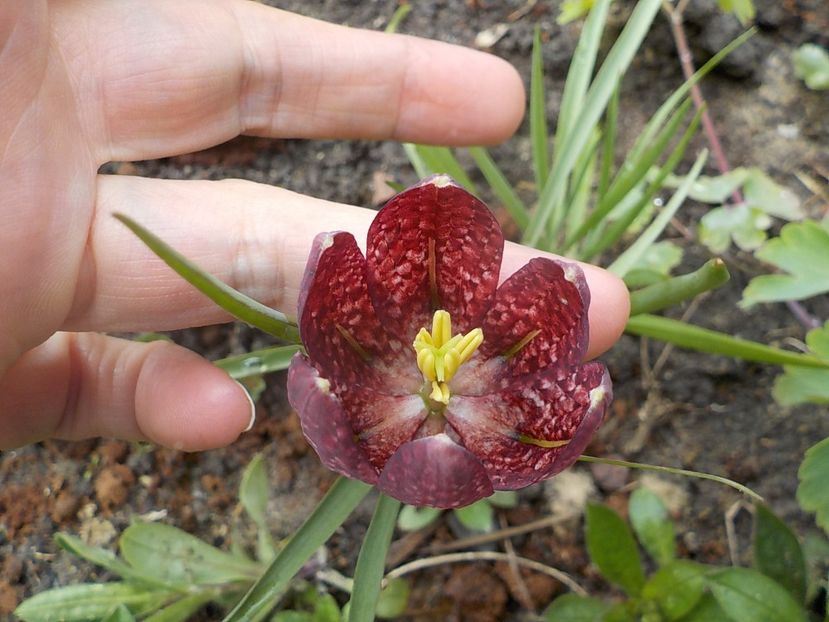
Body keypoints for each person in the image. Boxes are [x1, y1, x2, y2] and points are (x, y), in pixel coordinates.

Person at [0, 1, 629, 452]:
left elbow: (555, 389)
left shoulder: (516, 425)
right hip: (365, 391)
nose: (438, 371)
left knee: (558, 294)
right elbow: (333, 351)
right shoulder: (347, 392)